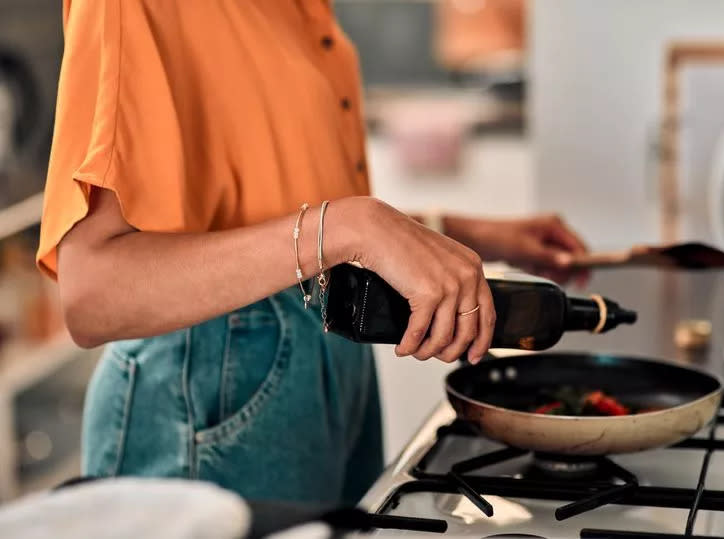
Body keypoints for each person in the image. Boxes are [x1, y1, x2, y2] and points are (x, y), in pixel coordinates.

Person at [37, 1, 587, 506]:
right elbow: (93, 293)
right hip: (211, 391)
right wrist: (353, 226)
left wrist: (465, 233)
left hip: (327, 360)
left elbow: (289, 213)